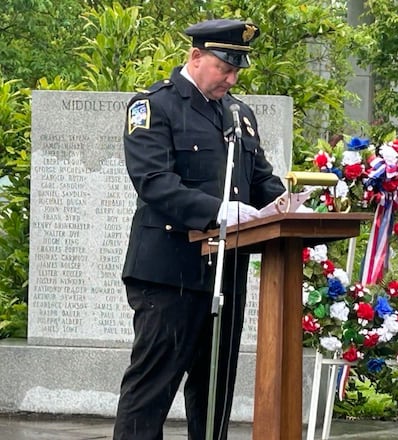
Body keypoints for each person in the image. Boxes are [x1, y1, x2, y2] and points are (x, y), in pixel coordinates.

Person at [113, 19, 286, 440]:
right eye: (224, 67)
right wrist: (219, 212)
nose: (231, 78)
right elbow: (153, 180)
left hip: (225, 271)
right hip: (169, 273)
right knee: (151, 389)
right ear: (195, 57)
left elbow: (261, 179)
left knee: (214, 394)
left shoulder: (238, 113)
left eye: (237, 70)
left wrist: (289, 207)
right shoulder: (154, 106)